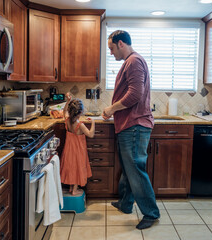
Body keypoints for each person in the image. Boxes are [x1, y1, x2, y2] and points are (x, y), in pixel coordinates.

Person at [103, 30, 160, 230]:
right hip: (130, 124)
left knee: (135, 169)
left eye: (111, 48)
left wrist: (111, 109)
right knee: (129, 168)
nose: (111, 53)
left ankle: (151, 213)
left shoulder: (134, 61)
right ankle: (126, 203)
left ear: (120, 44)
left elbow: (135, 94)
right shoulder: (131, 61)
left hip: (134, 124)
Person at [60, 93, 95, 195]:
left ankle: (71, 187)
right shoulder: (80, 125)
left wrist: (67, 101)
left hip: (68, 149)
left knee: (71, 166)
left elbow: (64, 111)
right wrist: (93, 123)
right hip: (78, 150)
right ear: (80, 112)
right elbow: (91, 134)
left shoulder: (67, 120)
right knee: (77, 167)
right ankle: (75, 190)